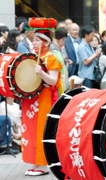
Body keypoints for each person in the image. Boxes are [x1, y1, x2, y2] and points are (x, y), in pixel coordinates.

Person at [21, 18, 62, 176]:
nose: (34, 42)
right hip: (31, 99)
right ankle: (34, 163)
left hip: (44, 97)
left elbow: (52, 81)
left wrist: (41, 72)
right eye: (33, 39)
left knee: (41, 130)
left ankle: (43, 164)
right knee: (30, 130)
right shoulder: (31, 56)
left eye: (37, 40)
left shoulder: (52, 57)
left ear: (45, 42)